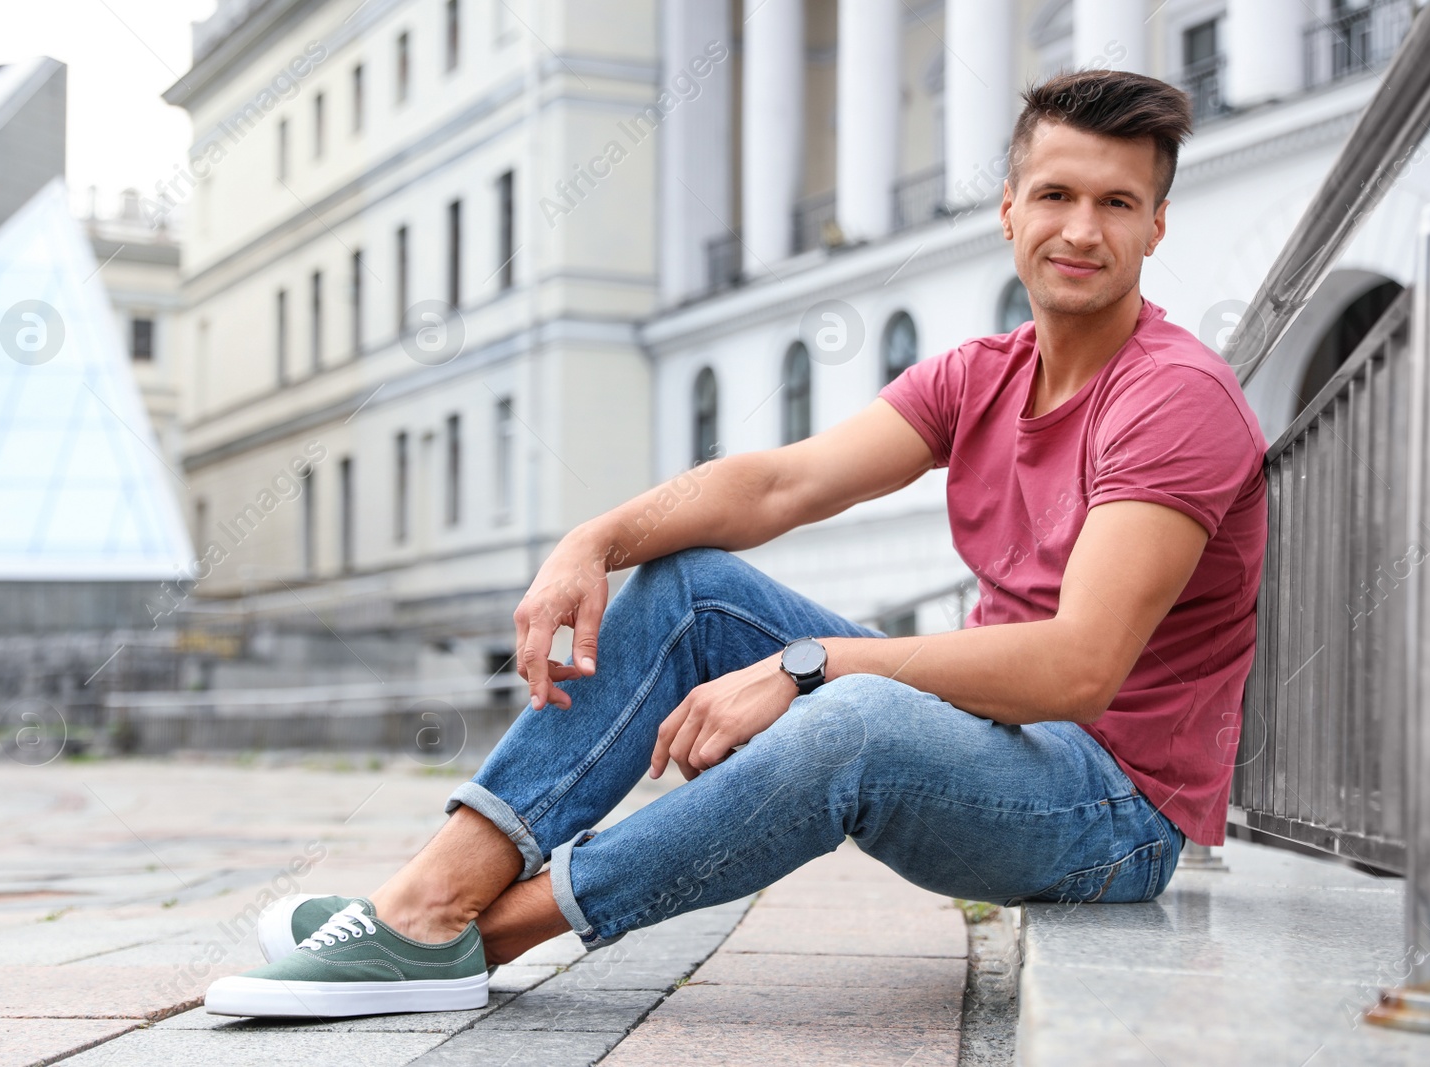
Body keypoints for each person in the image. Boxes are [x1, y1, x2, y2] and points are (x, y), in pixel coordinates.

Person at [204, 68, 1268, 1020]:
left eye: (1115, 203)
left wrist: (810, 663)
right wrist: (595, 538)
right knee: (694, 587)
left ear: (1154, 227)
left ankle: (477, 934)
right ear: (1007, 211)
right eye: (1056, 195)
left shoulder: (1171, 400)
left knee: (849, 715)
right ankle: (421, 899)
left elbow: (1077, 666)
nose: (1081, 230)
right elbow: (778, 482)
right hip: (1000, 739)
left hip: (1108, 811)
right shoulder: (981, 372)